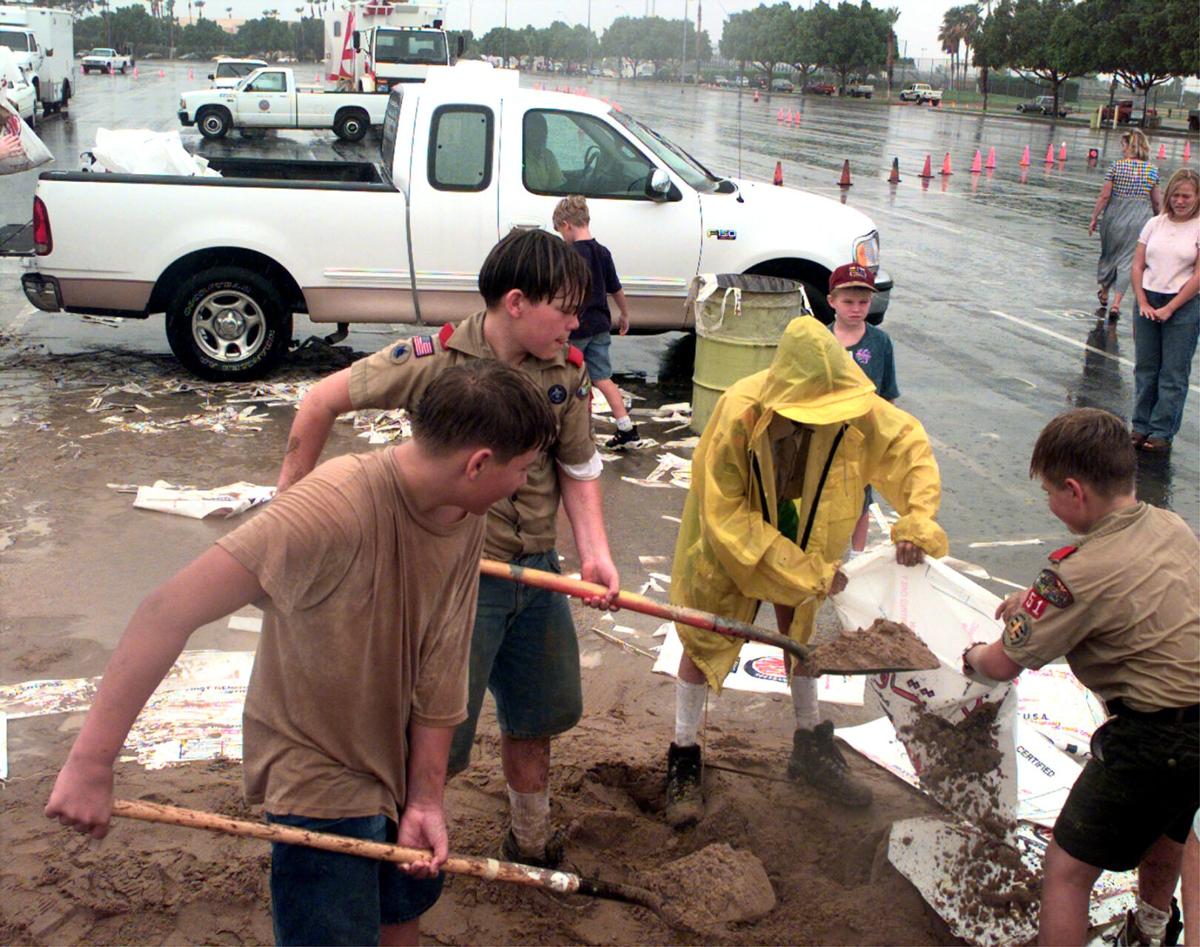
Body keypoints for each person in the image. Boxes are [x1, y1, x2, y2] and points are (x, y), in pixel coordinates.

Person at [44, 362, 559, 947]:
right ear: (478, 464)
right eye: (522, 469)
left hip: (395, 756)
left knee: (401, 912)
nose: (523, 483)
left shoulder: (466, 511)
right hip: (315, 767)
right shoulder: (329, 507)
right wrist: (90, 765)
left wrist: (425, 798)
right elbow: (167, 611)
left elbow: (444, 659)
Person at [275, 228, 619, 869]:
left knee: (539, 715)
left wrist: (594, 552)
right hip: (455, 579)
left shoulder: (566, 374)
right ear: (516, 302)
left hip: (538, 573)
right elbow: (321, 400)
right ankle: (402, 842)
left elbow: (578, 467)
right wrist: (290, 512)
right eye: (567, 309)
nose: (579, 323)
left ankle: (531, 839)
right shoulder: (435, 359)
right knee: (437, 732)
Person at [664, 316, 948, 825]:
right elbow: (728, 516)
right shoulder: (739, 414)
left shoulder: (853, 405)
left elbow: (906, 446)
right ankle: (683, 754)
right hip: (734, 534)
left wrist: (916, 518)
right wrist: (804, 571)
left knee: (799, 632)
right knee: (705, 631)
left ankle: (809, 743)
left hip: (808, 522)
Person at [963, 407, 1199, 947]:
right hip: (1197, 729)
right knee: (1170, 831)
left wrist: (973, 654)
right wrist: (1035, 605)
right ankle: (1151, 929)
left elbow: (1001, 664)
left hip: (1151, 738)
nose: (1048, 504)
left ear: (1075, 491)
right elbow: (1136, 600)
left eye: (1048, 492)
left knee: (1067, 871)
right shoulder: (1170, 526)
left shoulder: (1075, 573)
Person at [552, 194, 639, 449]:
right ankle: (626, 427)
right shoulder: (603, 252)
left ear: (567, 225)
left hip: (577, 327)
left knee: (568, 375)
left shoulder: (570, 256)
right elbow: (616, 288)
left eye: (560, 232)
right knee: (602, 377)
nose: (562, 237)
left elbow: (565, 293)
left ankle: (570, 427)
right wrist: (624, 314)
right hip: (601, 324)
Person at [826, 263, 899, 555]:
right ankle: (823, 551)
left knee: (861, 496)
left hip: (863, 434)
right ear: (832, 301)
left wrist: (887, 434)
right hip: (827, 431)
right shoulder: (821, 339)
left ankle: (856, 554)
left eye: (863, 302)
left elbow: (888, 391)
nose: (856, 309)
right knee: (824, 493)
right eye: (848, 302)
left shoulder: (880, 343)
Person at [1130, 167, 1200, 454]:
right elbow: (1137, 264)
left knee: (1173, 372)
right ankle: (1140, 424)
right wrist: (1143, 301)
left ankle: (1161, 431)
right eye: (1175, 196)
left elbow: (1198, 275)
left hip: (1183, 304)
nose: (1180, 201)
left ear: (1197, 197)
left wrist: (1171, 307)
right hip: (1148, 298)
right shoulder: (1154, 224)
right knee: (1146, 367)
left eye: (1186, 196)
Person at [1089, 130, 1161, 321]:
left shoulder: (1116, 167)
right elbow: (1156, 202)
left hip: (1115, 215)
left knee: (1109, 254)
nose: (1122, 149)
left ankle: (1104, 291)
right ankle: (1116, 303)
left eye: (1123, 145)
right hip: (1140, 219)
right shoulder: (1152, 170)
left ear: (1130, 146)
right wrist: (1159, 222)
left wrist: (1094, 217)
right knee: (1128, 261)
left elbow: (1105, 196)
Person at [523, 111, 565, 192]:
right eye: (533, 131)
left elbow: (557, 187)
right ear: (526, 132)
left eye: (542, 131)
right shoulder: (519, 156)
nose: (538, 135)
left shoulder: (548, 156)